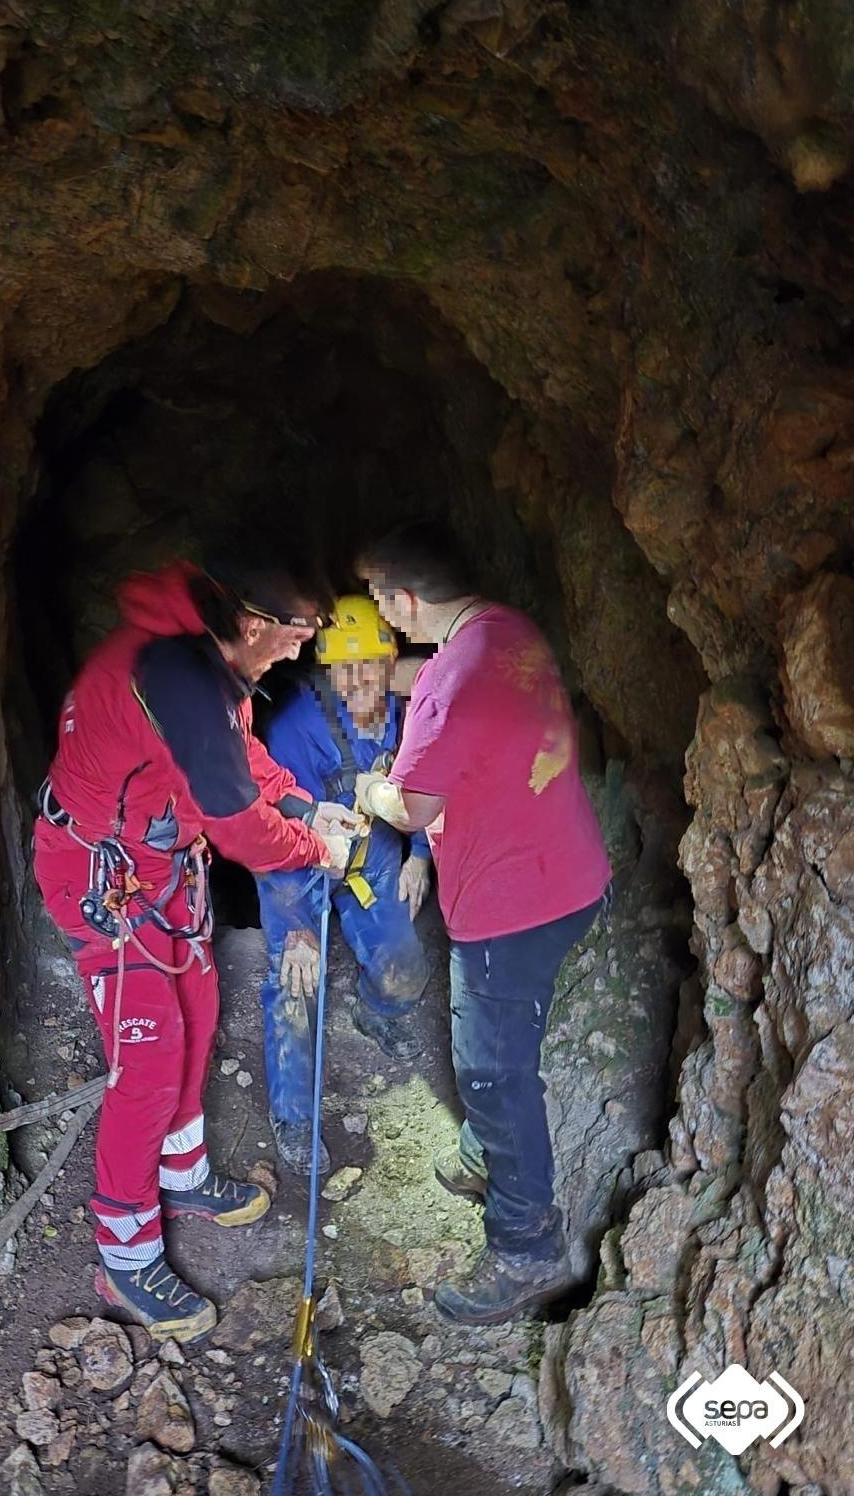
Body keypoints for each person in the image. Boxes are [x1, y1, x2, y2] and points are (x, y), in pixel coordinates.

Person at [33, 553, 356, 1342]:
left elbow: (234, 757)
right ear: (252, 622)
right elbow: (237, 825)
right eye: (297, 633)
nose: (301, 648)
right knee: (147, 1061)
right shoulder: (175, 676)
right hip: (103, 876)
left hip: (162, 868)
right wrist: (315, 848)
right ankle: (127, 1250)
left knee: (196, 1016)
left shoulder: (209, 663)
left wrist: (302, 805)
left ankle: (182, 1175)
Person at [355, 522, 612, 1325]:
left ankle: (525, 1248)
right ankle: (482, 1155)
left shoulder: (447, 686)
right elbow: (457, 688)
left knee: (492, 1072)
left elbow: (412, 804)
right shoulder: (507, 632)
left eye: (378, 600)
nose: (378, 612)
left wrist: (369, 790)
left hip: (509, 910)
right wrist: (388, 677)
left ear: (405, 598)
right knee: (508, 1036)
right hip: (571, 877)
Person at [255, 595, 432, 1175]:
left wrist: (420, 855)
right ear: (326, 671)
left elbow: (429, 784)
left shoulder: (409, 713)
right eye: (343, 668)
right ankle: (294, 1116)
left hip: (371, 852)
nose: (357, 682)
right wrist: (296, 926)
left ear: (390, 663)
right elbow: (269, 827)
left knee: (405, 972)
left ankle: (374, 1011)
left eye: (369, 666)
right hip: (296, 862)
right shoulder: (296, 726)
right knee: (294, 980)